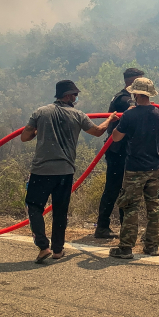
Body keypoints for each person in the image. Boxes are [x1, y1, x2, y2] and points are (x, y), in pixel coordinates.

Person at [21, 80, 118, 263]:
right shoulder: (78, 115)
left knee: (34, 207)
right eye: (74, 94)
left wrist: (38, 131)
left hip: (41, 171)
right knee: (60, 210)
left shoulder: (40, 112)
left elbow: (25, 137)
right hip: (65, 172)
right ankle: (58, 250)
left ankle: (43, 247)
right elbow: (98, 132)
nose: (76, 98)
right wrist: (110, 119)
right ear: (66, 96)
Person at [108, 77, 159, 259]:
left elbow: (116, 138)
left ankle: (126, 248)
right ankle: (152, 246)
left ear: (135, 93)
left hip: (135, 168)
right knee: (154, 206)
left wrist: (115, 122)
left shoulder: (130, 115)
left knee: (131, 206)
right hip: (156, 167)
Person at [94, 67, 145, 239]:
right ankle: (103, 227)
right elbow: (134, 113)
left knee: (124, 187)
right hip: (118, 151)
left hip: (124, 150)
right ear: (131, 82)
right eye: (139, 81)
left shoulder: (126, 97)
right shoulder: (124, 100)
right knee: (115, 188)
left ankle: (124, 227)